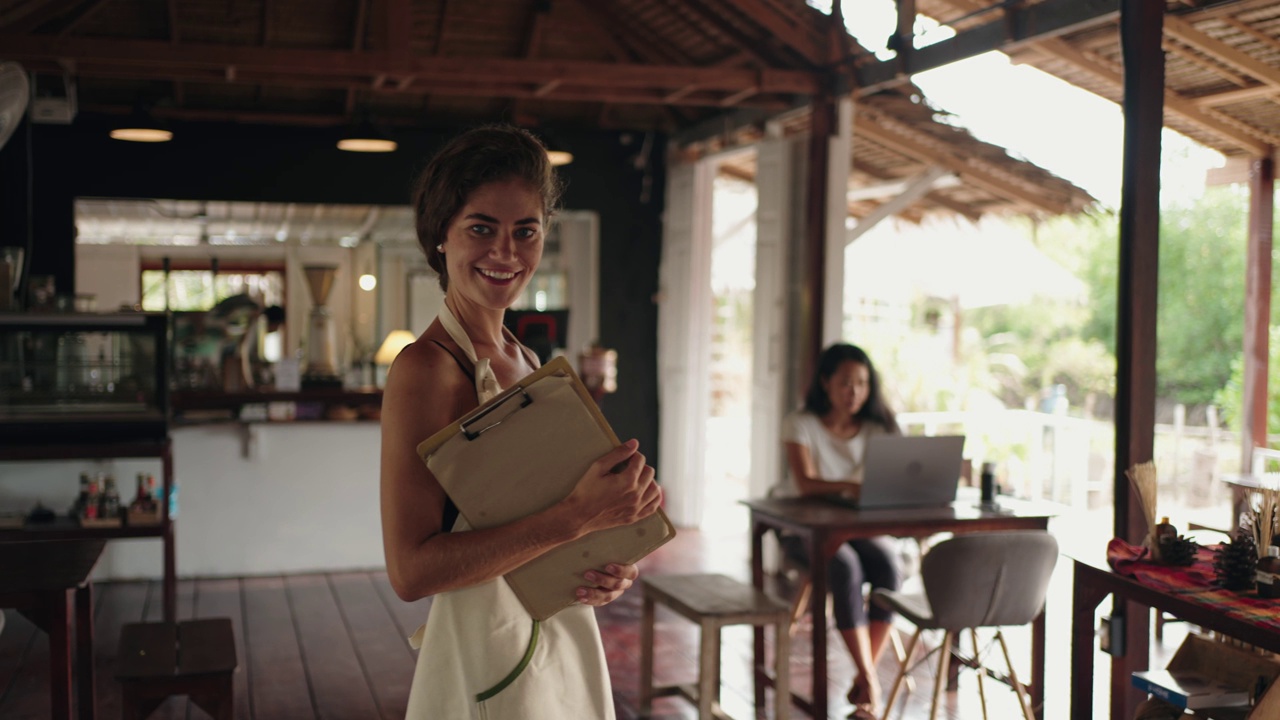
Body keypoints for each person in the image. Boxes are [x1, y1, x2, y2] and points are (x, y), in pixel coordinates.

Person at [380, 124, 663, 719]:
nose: (505, 253)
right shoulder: (426, 370)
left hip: (564, 632)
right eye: (481, 228)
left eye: (525, 231)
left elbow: (555, 522)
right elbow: (411, 571)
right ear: (440, 238)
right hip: (488, 649)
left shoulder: (528, 362)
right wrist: (576, 518)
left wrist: (608, 557)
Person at [773, 342, 903, 719]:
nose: (855, 392)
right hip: (802, 528)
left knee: (888, 567)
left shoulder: (879, 427)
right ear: (826, 382)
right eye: (846, 383)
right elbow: (805, 483)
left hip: (855, 525)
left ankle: (865, 677)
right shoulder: (800, 423)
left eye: (862, 384)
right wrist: (851, 486)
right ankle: (870, 681)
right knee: (845, 568)